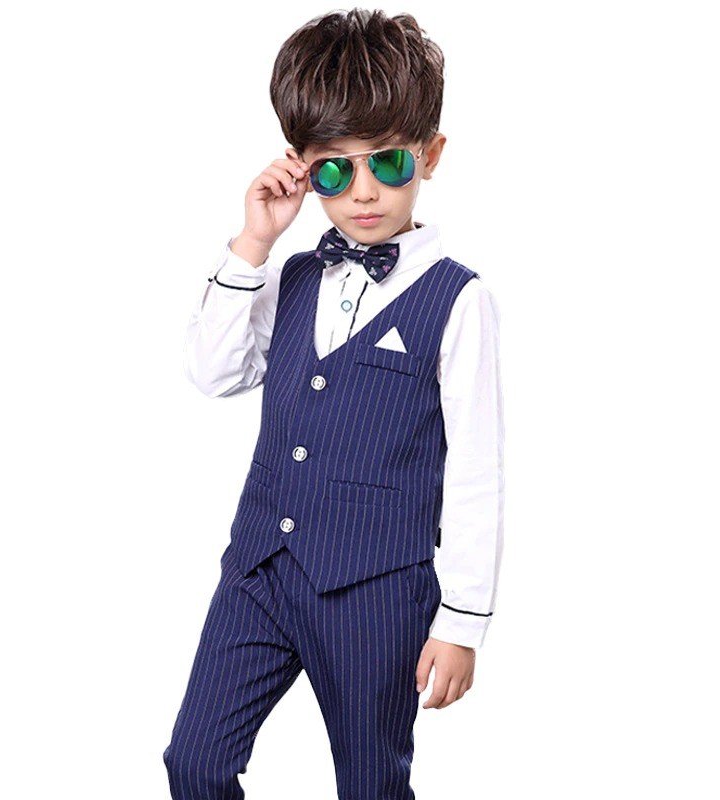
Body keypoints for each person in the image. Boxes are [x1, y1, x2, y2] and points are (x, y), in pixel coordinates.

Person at [163, 8, 505, 799]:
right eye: (332, 171)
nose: (363, 191)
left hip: (374, 589)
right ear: (301, 169)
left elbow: (477, 471)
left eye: (388, 162)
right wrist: (254, 242)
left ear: (430, 155)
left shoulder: (458, 301)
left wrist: (462, 621)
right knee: (196, 763)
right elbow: (214, 373)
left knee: (369, 784)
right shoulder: (291, 276)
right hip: (258, 571)